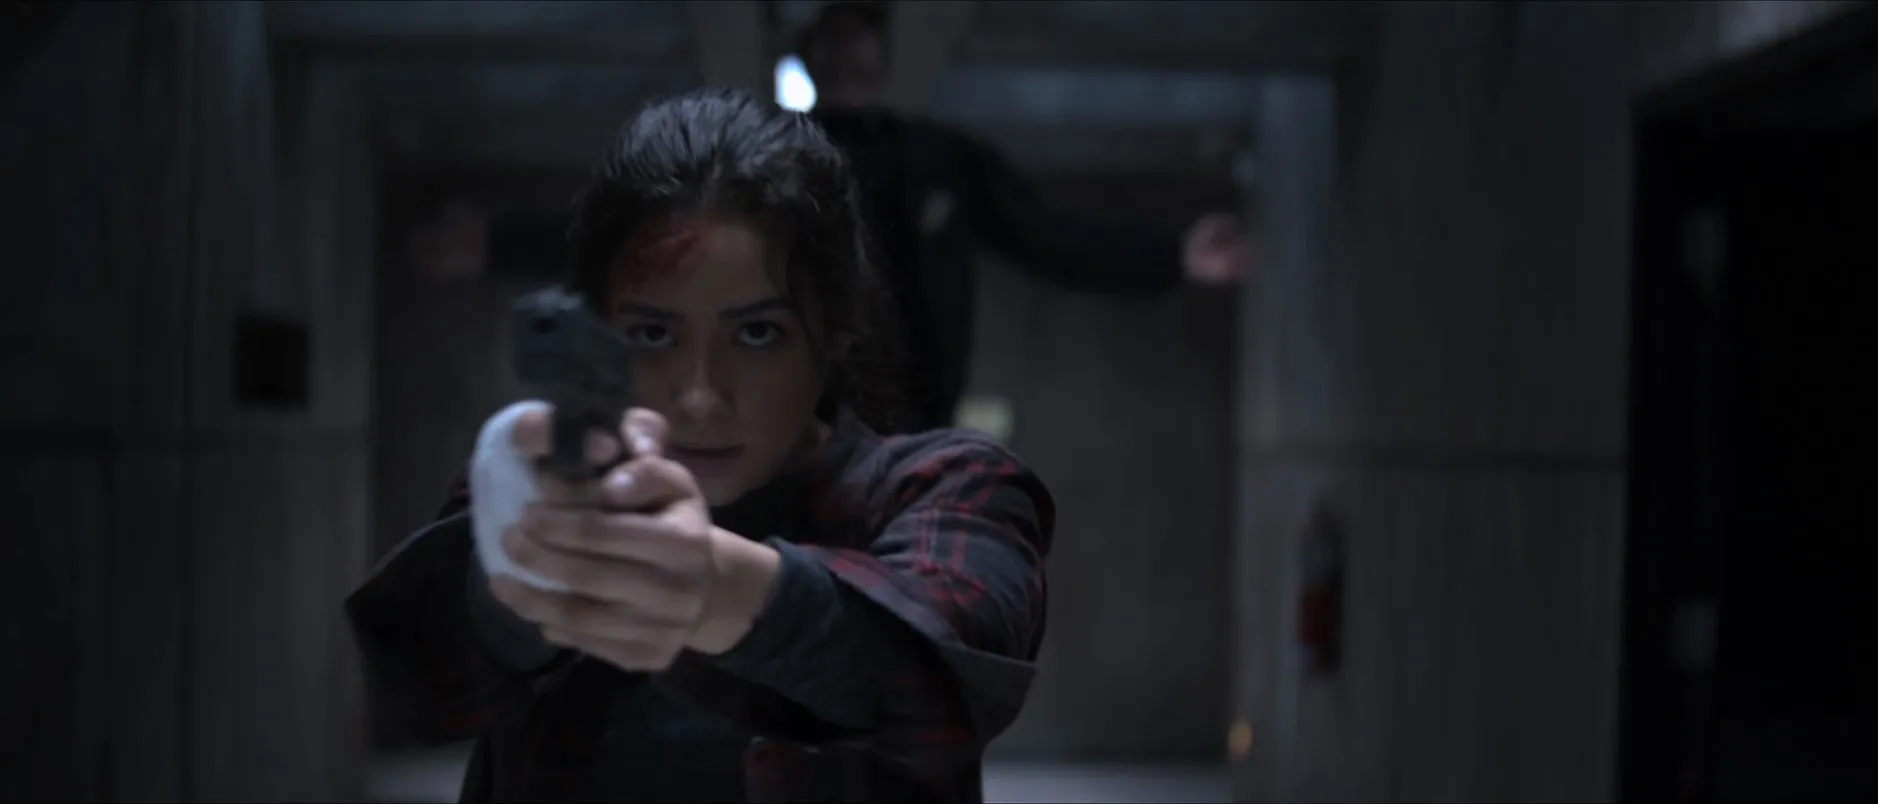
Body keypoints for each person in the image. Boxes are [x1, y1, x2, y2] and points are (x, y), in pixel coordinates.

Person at [348, 87, 1055, 804]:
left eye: (757, 334)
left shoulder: (946, 486)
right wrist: (530, 567)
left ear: (836, 330)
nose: (700, 396)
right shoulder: (547, 482)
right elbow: (423, 663)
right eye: (653, 334)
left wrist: (713, 589)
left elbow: (940, 671)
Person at [410, 1, 1254, 432]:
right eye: (836, 37)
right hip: (796, 415)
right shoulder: (772, 152)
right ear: (809, 55)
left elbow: (1052, 237)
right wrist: (497, 245)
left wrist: (1173, 256)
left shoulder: (941, 160)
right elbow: (650, 231)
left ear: (882, 55)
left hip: (914, 418)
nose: (851, 52)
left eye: (863, 37)